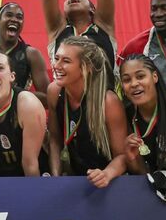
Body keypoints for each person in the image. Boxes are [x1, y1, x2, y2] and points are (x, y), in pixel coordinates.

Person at [47, 36, 127, 188]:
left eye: (66, 61)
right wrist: (55, 178)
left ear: (87, 66)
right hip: (73, 180)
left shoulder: (108, 102)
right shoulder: (54, 91)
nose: (56, 65)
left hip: (107, 183)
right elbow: (55, 140)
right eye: (56, 58)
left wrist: (107, 174)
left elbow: (123, 156)